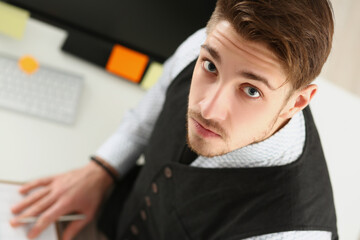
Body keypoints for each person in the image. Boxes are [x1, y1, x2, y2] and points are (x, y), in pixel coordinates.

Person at [10, 0, 338, 239]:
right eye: (211, 67)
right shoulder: (204, 45)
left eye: (250, 90)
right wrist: (101, 171)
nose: (208, 109)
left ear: (296, 102)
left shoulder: (289, 232)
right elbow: (145, 121)